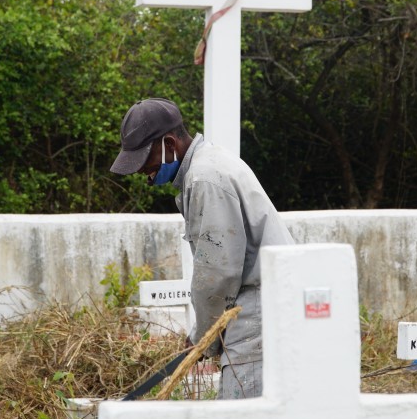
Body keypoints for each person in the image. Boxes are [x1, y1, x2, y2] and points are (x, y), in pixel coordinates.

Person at [110, 98, 294, 400]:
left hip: (257, 311)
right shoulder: (208, 165)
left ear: (169, 143)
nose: (144, 171)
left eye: (146, 159)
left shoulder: (204, 178)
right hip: (259, 305)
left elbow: (218, 273)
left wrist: (203, 338)